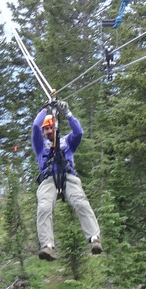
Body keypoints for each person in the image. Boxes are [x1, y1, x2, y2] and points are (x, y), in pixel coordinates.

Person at [31, 101, 101, 260]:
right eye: (46, 129)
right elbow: (35, 126)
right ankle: (47, 246)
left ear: (55, 127)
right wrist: (45, 110)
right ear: (43, 132)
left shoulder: (67, 141)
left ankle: (94, 239)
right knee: (44, 207)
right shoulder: (40, 145)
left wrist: (68, 113)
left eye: (51, 128)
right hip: (48, 179)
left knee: (81, 203)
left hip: (68, 176)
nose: (49, 131)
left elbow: (79, 132)